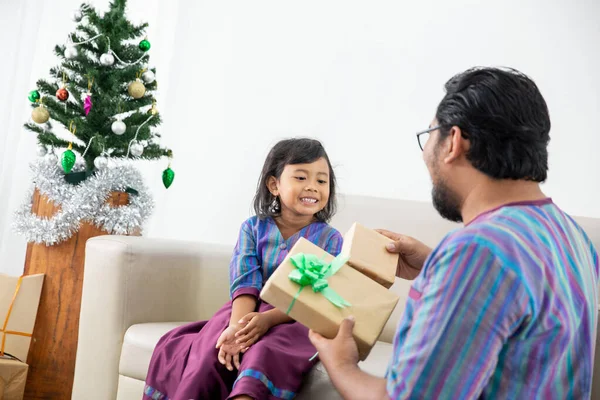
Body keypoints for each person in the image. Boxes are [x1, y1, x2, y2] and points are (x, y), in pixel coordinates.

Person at [309, 67, 600, 399]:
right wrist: (434, 265)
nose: (425, 153)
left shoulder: (478, 252)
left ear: (454, 142)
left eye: (430, 134)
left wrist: (342, 365)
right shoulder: (571, 235)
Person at [143, 138, 343, 400]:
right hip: (245, 312)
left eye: (321, 180)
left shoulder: (331, 239)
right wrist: (237, 328)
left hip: (294, 319)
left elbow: (314, 297)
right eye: (301, 177)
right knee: (211, 350)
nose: (312, 187)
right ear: (274, 185)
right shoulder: (252, 228)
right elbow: (245, 282)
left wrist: (267, 320)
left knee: (263, 353)